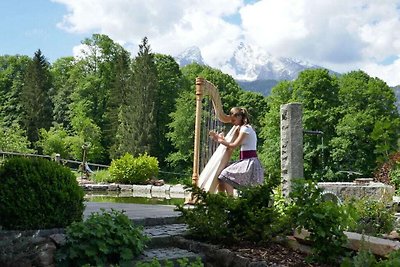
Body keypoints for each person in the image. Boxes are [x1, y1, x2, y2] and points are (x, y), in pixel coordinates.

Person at [209, 107, 264, 195]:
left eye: (233, 120)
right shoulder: (245, 128)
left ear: (239, 117)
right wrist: (223, 140)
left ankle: (231, 201)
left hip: (249, 162)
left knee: (225, 174)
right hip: (247, 160)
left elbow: (233, 146)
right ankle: (223, 198)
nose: (232, 122)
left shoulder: (245, 129)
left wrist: (219, 140)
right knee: (223, 173)